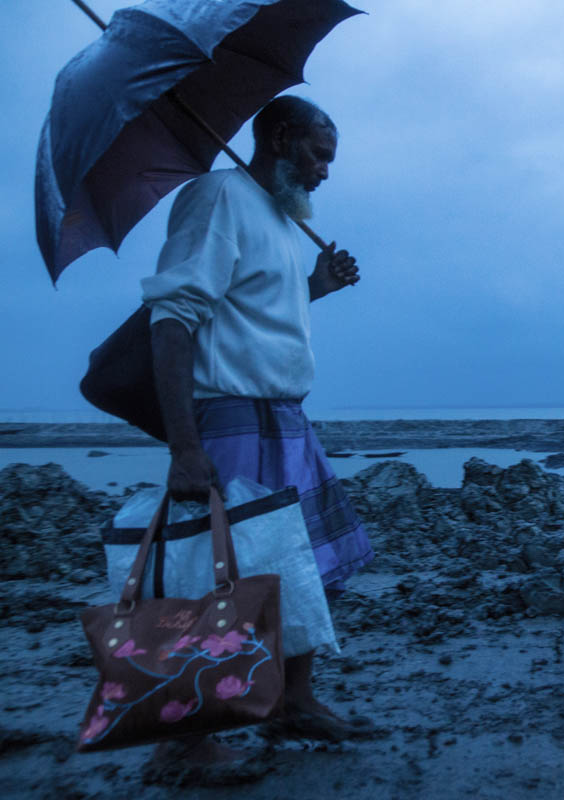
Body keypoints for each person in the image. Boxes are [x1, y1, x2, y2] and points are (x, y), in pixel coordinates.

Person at [141, 96, 376, 774]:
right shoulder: (216, 197)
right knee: (217, 583)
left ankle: (290, 701)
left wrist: (317, 286)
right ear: (279, 138)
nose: (325, 172)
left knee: (307, 568)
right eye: (317, 155)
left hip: (286, 417)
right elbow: (173, 317)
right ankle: (180, 745)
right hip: (233, 416)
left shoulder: (280, 216)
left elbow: (258, 316)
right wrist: (184, 447)